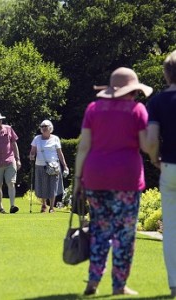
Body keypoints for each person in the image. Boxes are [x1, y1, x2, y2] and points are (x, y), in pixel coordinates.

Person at [73, 67, 153, 296]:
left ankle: (93, 281)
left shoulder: (93, 109)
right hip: (126, 178)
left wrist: (78, 179)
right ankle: (119, 285)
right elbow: (147, 146)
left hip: (95, 177)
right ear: (130, 91)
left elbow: (84, 147)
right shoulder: (138, 110)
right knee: (124, 235)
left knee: (99, 231)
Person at [147, 50, 176, 298]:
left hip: (169, 167)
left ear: (167, 74)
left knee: (171, 228)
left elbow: (152, 139)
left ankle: (174, 282)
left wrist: (153, 157)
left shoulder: (156, 102)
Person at [29, 120, 69, 213]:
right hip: (40, 165)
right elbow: (32, 150)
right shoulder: (37, 139)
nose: (43, 128)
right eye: (42, 126)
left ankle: (51, 207)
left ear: (50, 128)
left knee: (53, 186)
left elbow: (60, 153)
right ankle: (43, 205)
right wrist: (31, 155)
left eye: (45, 126)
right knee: (42, 185)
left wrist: (65, 166)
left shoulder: (55, 138)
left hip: (53, 166)